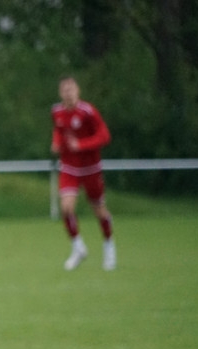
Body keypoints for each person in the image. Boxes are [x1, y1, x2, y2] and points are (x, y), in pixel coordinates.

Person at [51, 76, 116, 271]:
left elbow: (104, 136)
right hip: (69, 167)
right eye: (65, 90)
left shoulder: (88, 112)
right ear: (60, 93)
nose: (68, 94)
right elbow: (59, 130)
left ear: (78, 91)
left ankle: (109, 246)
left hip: (91, 169)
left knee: (99, 211)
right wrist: (56, 142)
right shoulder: (57, 111)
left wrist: (81, 144)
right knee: (66, 208)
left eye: (71, 89)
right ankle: (78, 248)